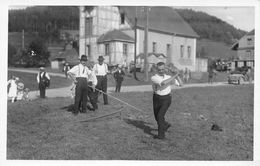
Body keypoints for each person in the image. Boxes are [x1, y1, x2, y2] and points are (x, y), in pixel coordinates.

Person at [151, 62, 181, 139]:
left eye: (162, 69)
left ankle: (161, 136)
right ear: (157, 70)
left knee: (160, 116)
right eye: (159, 70)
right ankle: (165, 125)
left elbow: (181, 84)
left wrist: (177, 75)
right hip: (157, 98)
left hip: (166, 99)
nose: (161, 71)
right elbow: (163, 83)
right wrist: (175, 75)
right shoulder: (154, 77)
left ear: (165, 69)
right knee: (157, 118)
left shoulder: (169, 76)